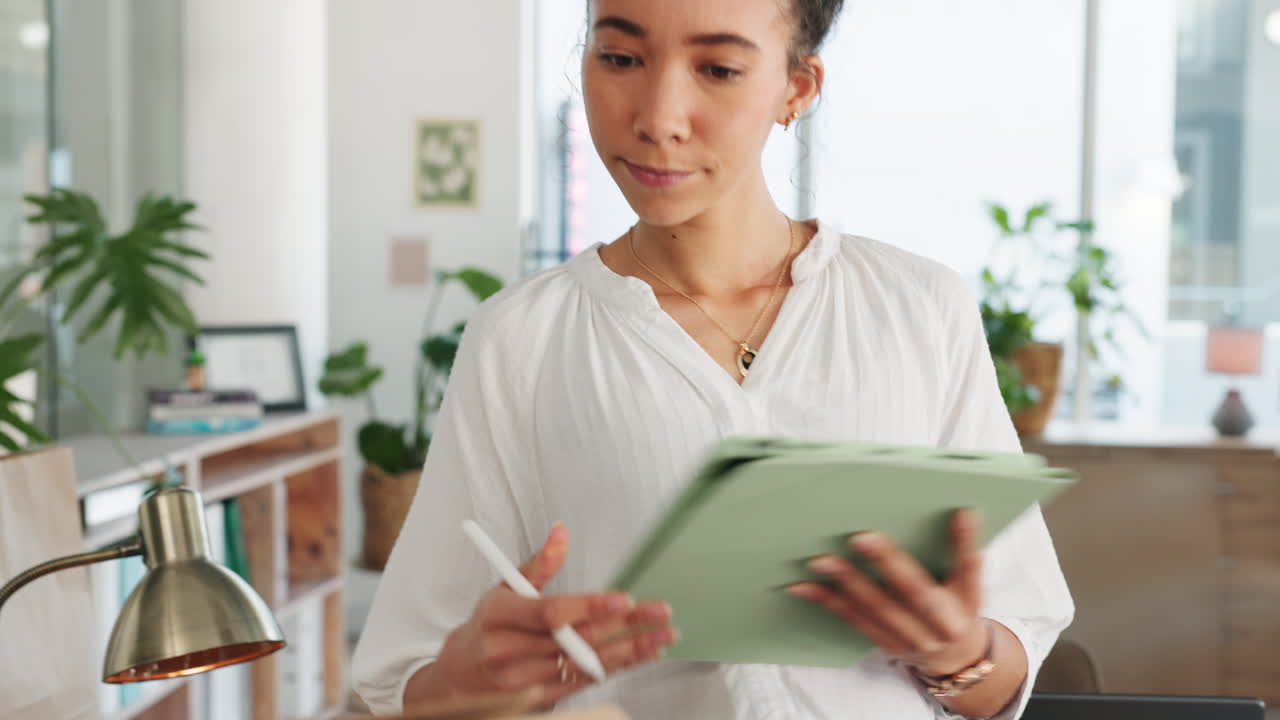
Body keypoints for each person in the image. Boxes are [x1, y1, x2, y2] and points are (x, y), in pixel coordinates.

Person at [352, 0, 1074, 717]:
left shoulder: (920, 308)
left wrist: (955, 653)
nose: (660, 117)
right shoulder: (521, 339)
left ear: (797, 89)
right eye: (621, 58)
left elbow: (1008, 663)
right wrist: (465, 683)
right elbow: (405, 678)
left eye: (720, 69)